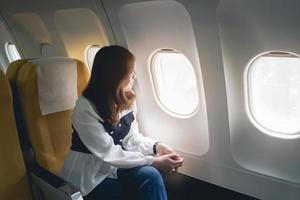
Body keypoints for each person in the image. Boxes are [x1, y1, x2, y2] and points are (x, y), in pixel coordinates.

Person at [60, 45, 184, 200]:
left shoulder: (128, 98)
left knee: (151, 175)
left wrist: (155, 147)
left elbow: (130, 138)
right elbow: (108, 153)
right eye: (130, 71)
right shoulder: (85, 108)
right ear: (114, 75)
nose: (134, 75)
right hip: (89, 176)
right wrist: (153, 161)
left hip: (116, 166)